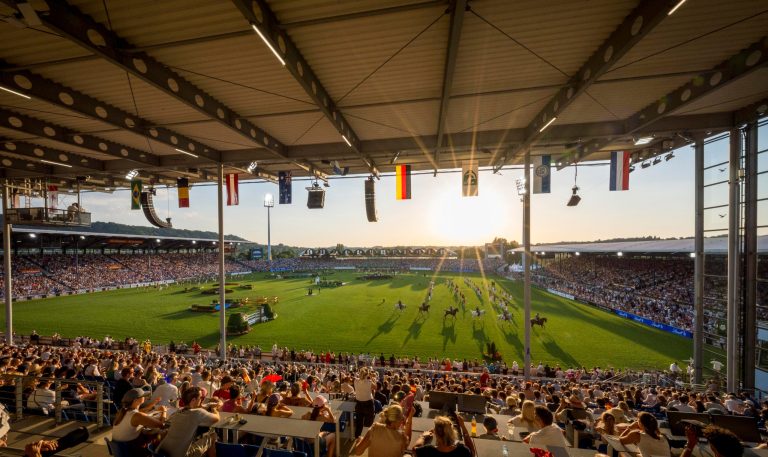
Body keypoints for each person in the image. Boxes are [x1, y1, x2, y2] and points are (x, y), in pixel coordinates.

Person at [158, 386, 220, 457]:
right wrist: (214, 409)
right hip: (182, 455)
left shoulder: (179, 411)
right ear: (193, 400)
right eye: (201, 398)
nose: (202, 400)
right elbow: (217, 418)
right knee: (212, 435)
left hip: (163, 451)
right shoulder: (198, 412)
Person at [111, 388, 167, 456]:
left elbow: (139, 412)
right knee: (162, 433)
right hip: (131, 451)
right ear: (136, 400)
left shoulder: (122, 412)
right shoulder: (137, 416)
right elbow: (161, 425)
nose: (145, 397)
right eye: (143, 396)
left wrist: (153, 404)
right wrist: (164, 411)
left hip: (120, 450)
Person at [354, 368, 375, 438]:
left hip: (359, 404)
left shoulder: (356, 381)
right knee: (368, 423)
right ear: (367, 374)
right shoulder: (369, 382)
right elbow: (376, 387)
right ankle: (366, 439)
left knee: (359, 423)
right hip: (368, 404)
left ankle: (358, 438)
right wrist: (372, 379)